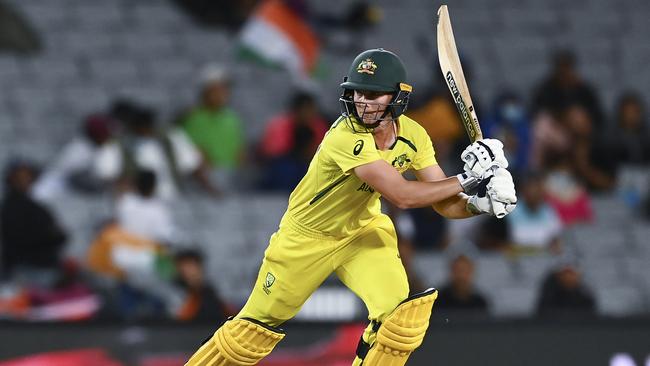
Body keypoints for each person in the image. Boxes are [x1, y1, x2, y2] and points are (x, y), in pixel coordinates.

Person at [185, 48, 517, 366]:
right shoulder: (344, 136)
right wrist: (469, 177)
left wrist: (480, 202)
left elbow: (444, 204)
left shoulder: (414, 135)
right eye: (357, 93)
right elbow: (402, 195)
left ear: (397, 98)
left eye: (372, 95)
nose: (361, 102)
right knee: (250, 334)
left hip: (362, 232)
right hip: (306, 238)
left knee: (400, 318)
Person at [182, 64, 245, 192]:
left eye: (224, 89)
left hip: (233, 176)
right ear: (205, 91)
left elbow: (240, 153)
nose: (222, 94)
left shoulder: (232, 118)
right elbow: (196, 155)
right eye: (217, 90)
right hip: (207, 178)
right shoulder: (194, 119)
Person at [259, 91, 328, 191]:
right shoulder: (281, 126)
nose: (307, 113)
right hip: (282, 165)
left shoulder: (317, 126)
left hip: (309, 164)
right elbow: (273, 153)